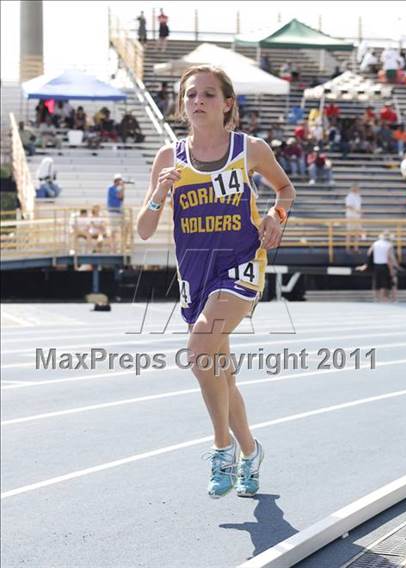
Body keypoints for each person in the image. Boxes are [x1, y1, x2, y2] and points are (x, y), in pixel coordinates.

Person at [136, 65, 296, 499]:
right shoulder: (170, 158)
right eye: (191, 95)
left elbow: (285, 189)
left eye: (208, 94)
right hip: (195, 273)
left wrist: (275, 217)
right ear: (183, 104)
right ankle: (250, 450)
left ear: (227, 104)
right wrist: (158, 195)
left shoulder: (250, 149)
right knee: (221, 374)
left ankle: (221, 450)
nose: (198, 101)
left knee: (199, 348)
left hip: (241, 264)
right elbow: (145, 229)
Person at [368, 232, 393, 302]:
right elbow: (388, 257)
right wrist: (391, 269)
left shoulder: (375, 243)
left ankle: (376, 298)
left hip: (376, 264)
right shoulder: (389, 245)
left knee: (376, 281)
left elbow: (369, 252)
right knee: (383, 282)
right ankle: (383, 298)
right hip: (384, 264)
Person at [107, 174, 125, 251]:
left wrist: (122, 188)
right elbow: (119, 196)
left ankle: (118, 247)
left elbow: (122, 198)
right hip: (113, 212)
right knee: (113, 231)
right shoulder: (111, 188)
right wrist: (122, 188)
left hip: (118, 212)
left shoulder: (118, 188)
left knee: (119, 231)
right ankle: (112, 248)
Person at [345, 185, 362, 252]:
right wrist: (356, 210)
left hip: (357, 216)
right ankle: (348, 248)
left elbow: (359, 206)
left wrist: (359, 212)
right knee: (349, 232)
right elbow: (348, 206)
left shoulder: (358, 196)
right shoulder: (349, 196)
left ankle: (356, 248)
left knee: (357, 233)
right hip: (351, 216)